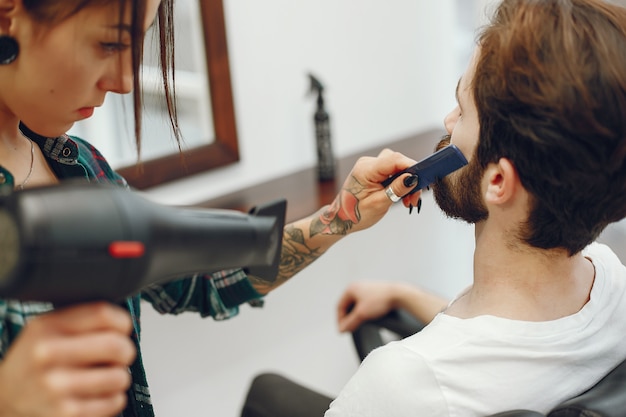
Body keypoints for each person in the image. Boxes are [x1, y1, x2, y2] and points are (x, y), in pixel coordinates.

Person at [0, 1, 422, 417]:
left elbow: (200, 281)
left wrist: (340, 217)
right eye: (109, 45)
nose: (125, 81)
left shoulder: (82, 168)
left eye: (136, 47)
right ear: (7, 14)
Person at [241, 0, 626, 416]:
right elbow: (512, 351)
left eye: (462, 109)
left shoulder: (401, 384)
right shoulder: (610, 282)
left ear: (497, 182)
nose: (447, 121)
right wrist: (407, 296)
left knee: (266, 393)